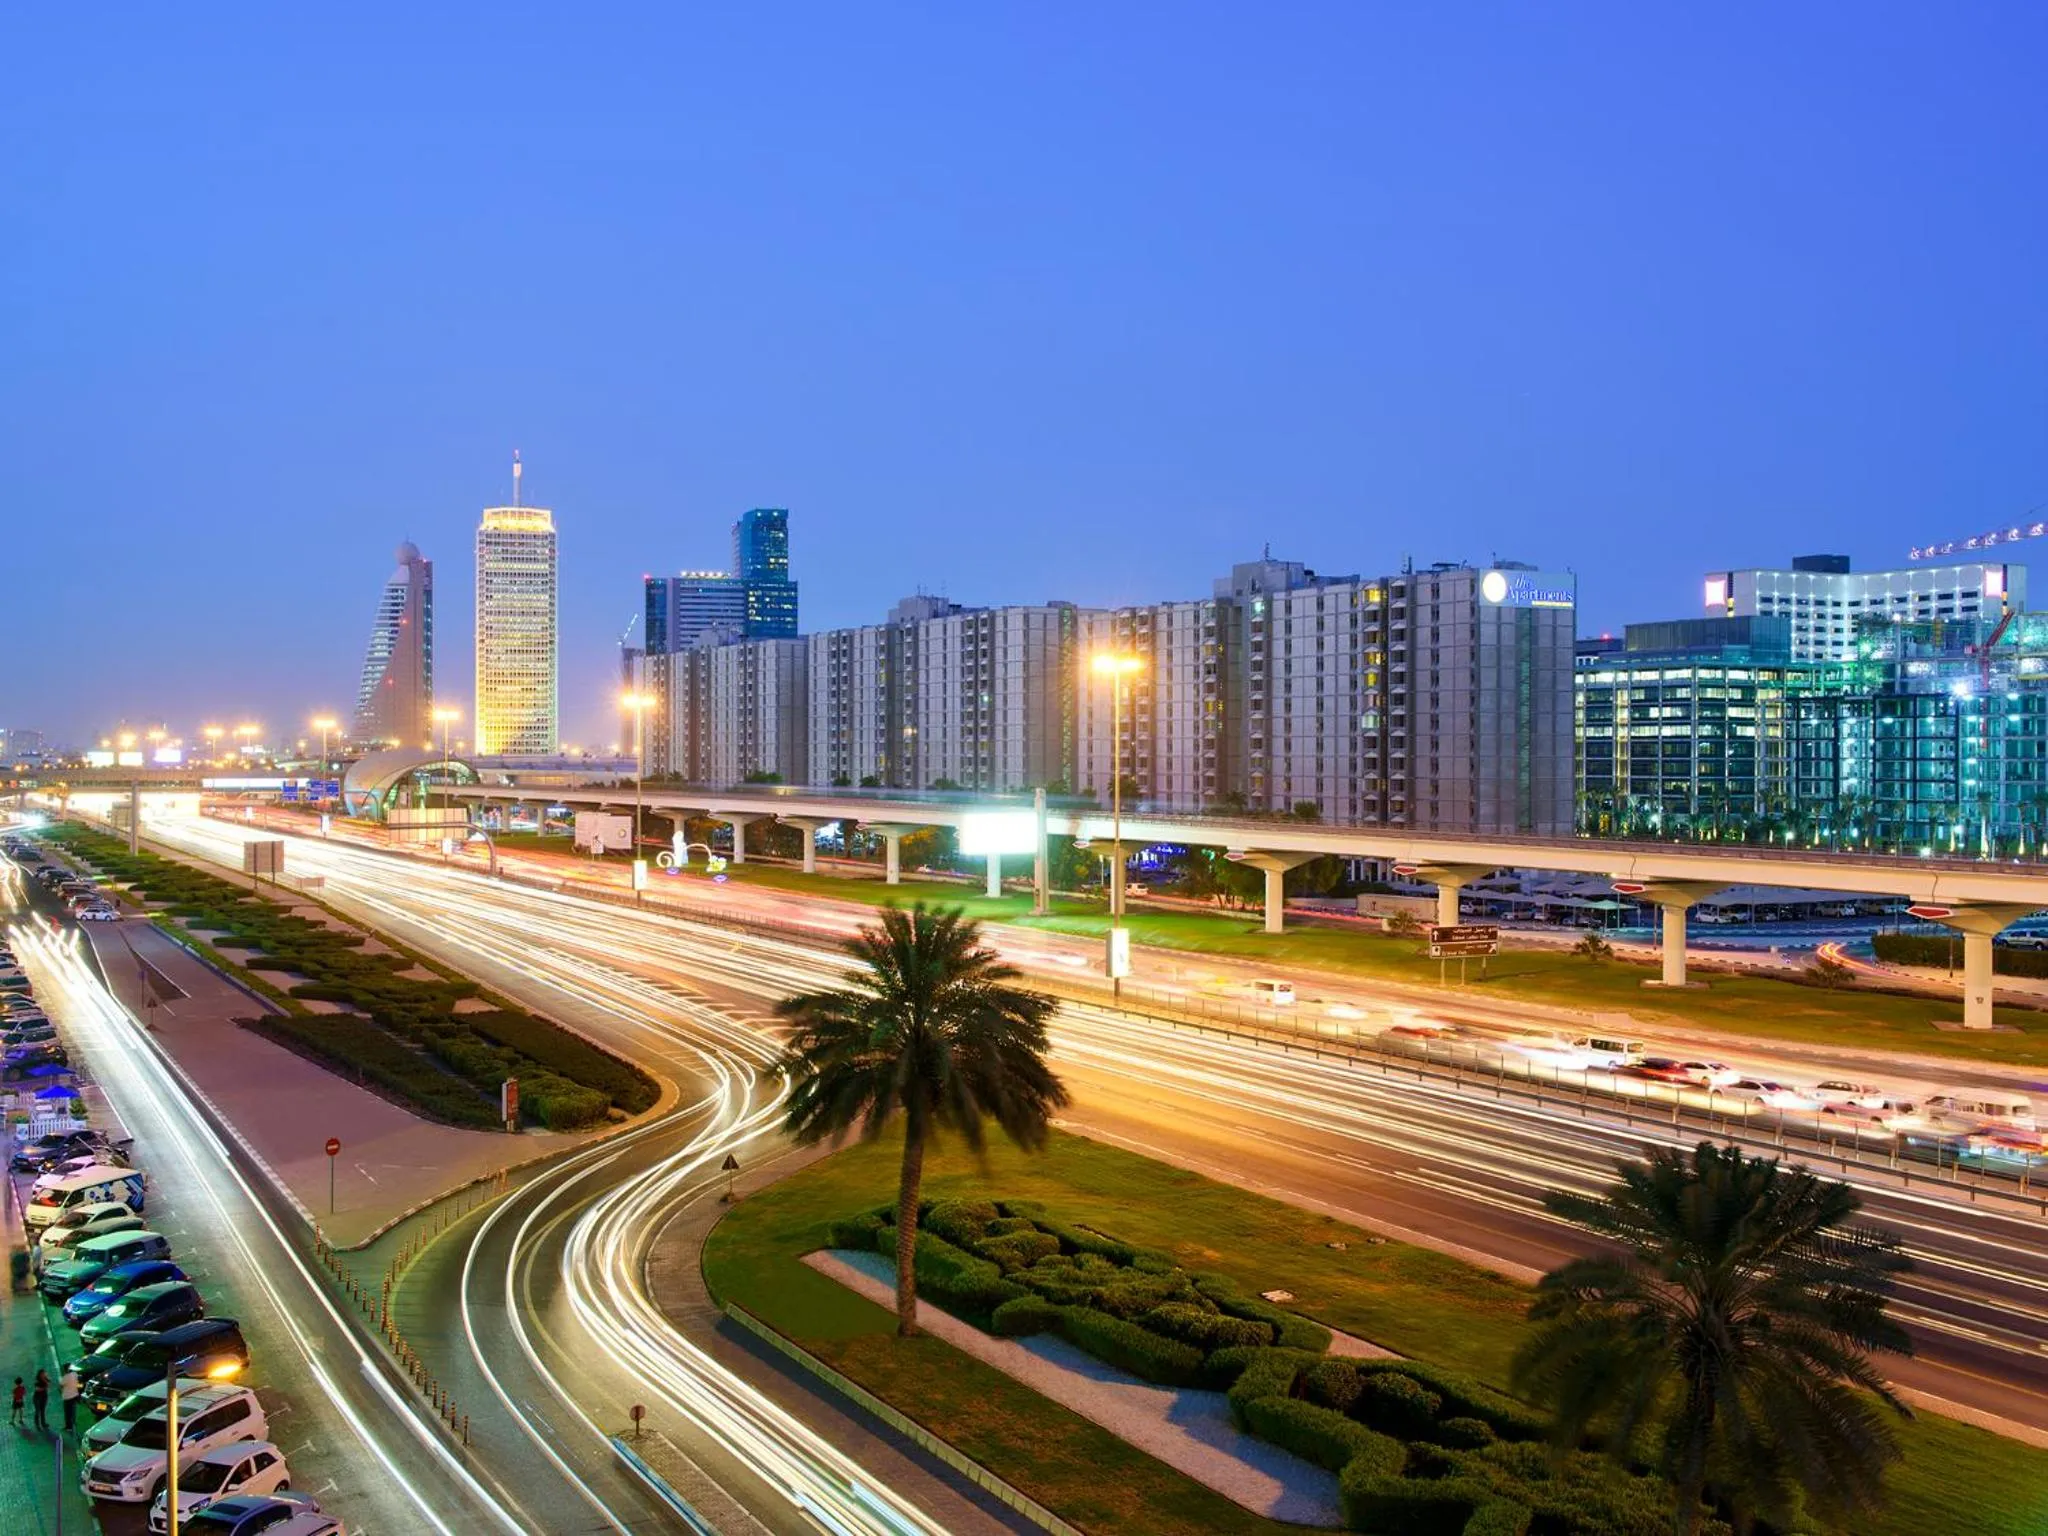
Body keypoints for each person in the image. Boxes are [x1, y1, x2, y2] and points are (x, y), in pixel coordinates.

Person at [58, 1367, 78, 1434]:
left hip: (68, 1397)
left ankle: (69, 1427)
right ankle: (74, 1422)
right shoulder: (75, 1374)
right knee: (73, 1410)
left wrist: (61, 1391)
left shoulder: (65, 1377)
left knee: (67, 1413)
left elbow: (60, 1386)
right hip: (75, 1395)